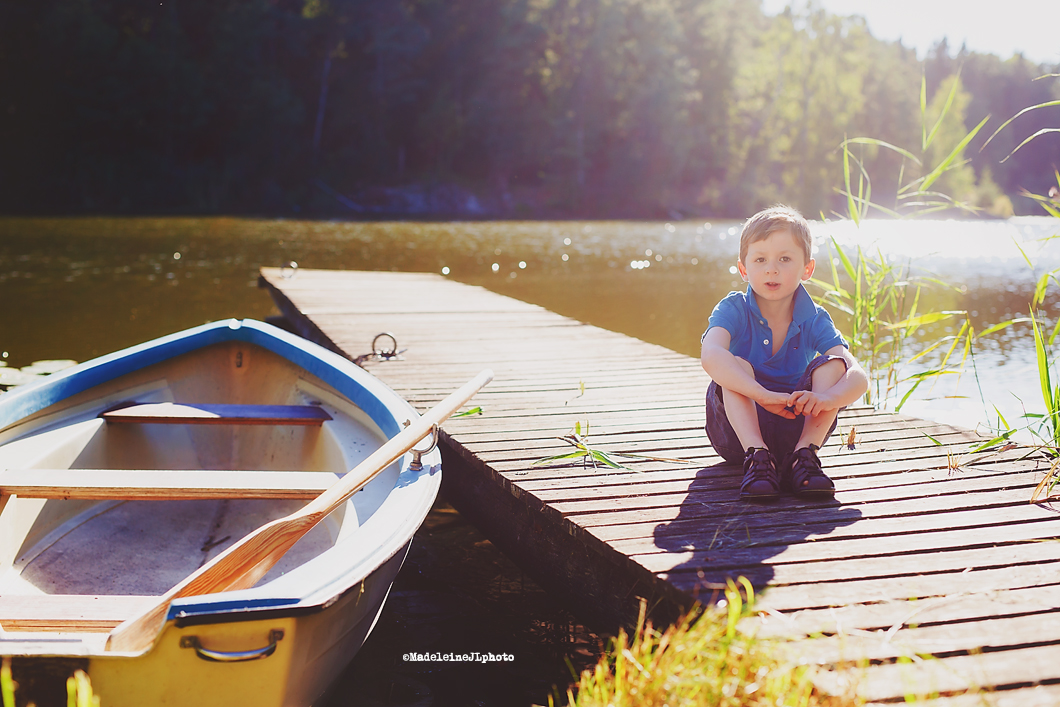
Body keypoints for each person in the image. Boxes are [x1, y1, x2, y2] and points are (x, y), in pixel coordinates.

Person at [700, 205, 868, 501]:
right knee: (733, 364)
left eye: (785, 259)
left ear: (807, 269)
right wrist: (762, 395)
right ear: (743, 269)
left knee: (833, 364)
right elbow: (710, 354)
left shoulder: (814, 318)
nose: (772, 269)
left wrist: (827, 399)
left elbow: (858, 376)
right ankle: (757, 458)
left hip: (796, 427)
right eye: (760, 259)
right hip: (737, 436)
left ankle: (804, 456)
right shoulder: (733, 309)